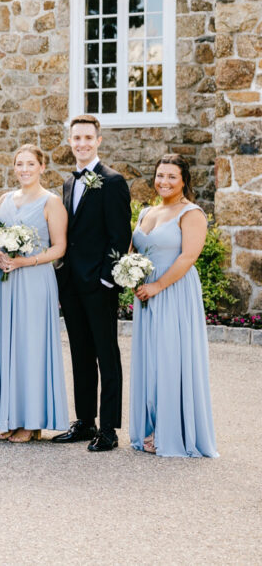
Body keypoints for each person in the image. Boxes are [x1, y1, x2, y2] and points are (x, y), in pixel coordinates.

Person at [129, 155, 218, 458]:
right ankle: (152, 426)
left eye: (171, 177)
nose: (164, 181)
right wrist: (130, 275)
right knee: (150, 361)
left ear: (184, 181)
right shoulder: (146, 212)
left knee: (171, 359)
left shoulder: (191, 213)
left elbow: (187, 257)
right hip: (146, 294)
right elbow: (133, 251)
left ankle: (173, 432)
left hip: (174, 291)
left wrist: (157, 285)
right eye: (160, 175)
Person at [0, 145, 69, 443]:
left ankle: (31, 421)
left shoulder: (51, 202)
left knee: (30, 346)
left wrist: (24, 261)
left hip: (33, 279)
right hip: (4, 279)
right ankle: (11, 415)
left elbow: (59, 248)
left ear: (42, 167)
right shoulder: (5, 199)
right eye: (19, 164)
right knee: (6, 344)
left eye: (31, 163)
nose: (24, 169)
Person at [54, 115, 132, 452]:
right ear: (70, 141)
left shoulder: (113, 182)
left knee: (106, 354)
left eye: (88, 138)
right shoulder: (68, 184)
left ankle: (109, 429)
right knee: (80, 354)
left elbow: (119, 236)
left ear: (98, 141)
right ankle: (85, 421)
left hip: (99, 284)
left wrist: (106, 278)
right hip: (71, 282)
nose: (82, 143)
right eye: (76, 138)